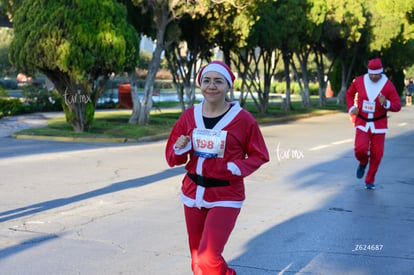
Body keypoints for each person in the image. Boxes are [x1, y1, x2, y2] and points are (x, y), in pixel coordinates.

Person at [165, 60, 269, 274]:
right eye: (207, 81)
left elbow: (260, 155)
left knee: (208, 258)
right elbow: (173, 157)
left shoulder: (243, 120)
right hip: (193, 193)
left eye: (218, 81)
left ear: (228, 86)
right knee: (197, 262)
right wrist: (180, 147)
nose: (212, 86)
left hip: (226, 194)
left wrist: (238, 166)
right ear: (200, 84)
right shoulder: (189, 116)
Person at [346, 58, 401, 190]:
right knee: (360, 149)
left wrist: (386, 103)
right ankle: (363, 162)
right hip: (362, 121)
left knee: (377, 154)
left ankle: (370, 179)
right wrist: (351, 108)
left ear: (381, 73)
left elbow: (397, 105)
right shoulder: (359, 81)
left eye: (376, 74)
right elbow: (349, 94)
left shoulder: (387, 85)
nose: (373, 76)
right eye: (371, 74)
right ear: (368, 72)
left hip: (379, 125)